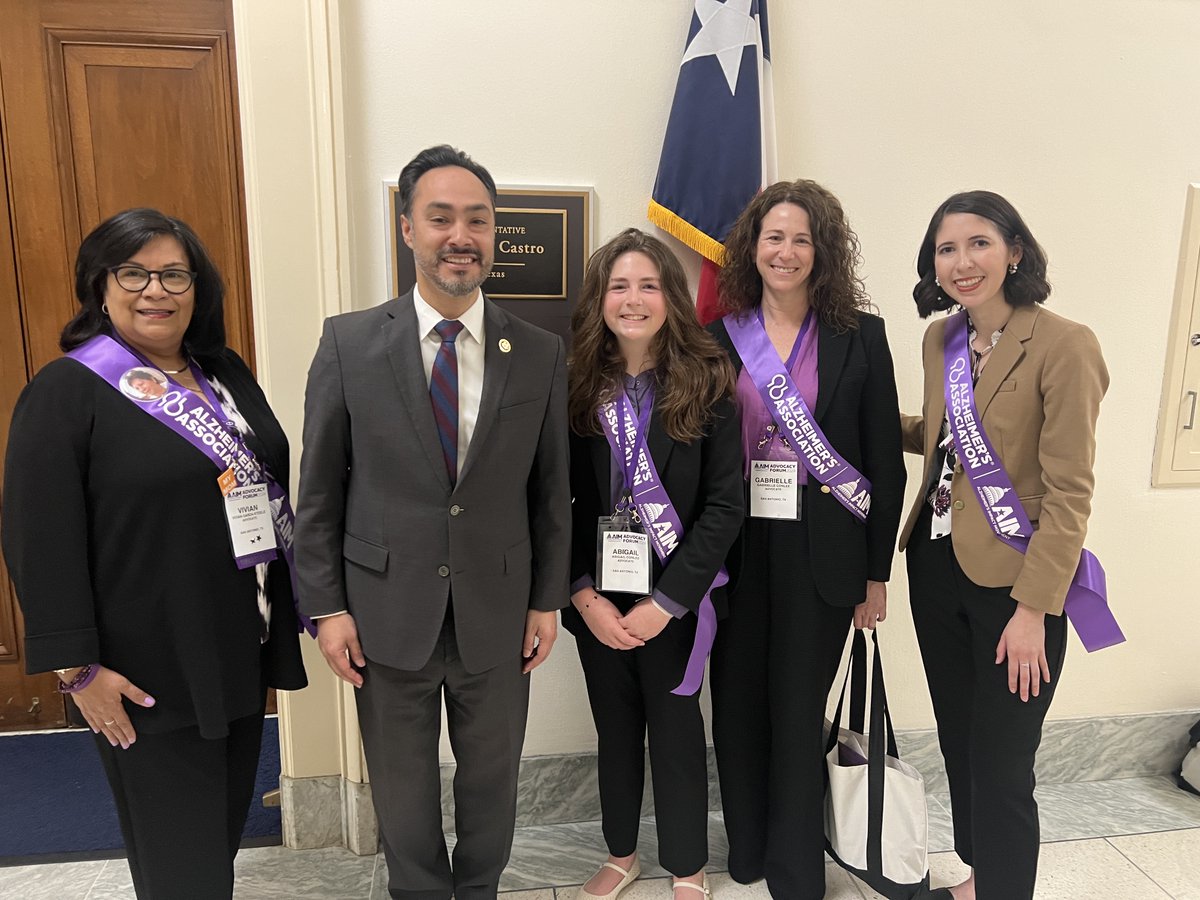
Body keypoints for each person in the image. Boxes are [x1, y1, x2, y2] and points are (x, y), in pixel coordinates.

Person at [1, 208, 308, 899]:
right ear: (99, 287)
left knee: (215, 847)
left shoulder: (224, 373)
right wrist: (80, 671)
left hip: (234, 649)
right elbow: (35, 536)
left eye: (174, 274)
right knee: (180, 866)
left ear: (198, 288)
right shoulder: (66, 392)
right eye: (133, 272)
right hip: (145, 674)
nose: (155, 290)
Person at [294, 145, 571, 900]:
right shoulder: (349, 344)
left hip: (499, 612)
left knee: (492, 792)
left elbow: (552, 493)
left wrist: (547, 599)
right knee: (402, 796)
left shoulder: (539, 352)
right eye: (441, 217)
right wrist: (326, 609)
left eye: (477, 220)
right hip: (384, 614)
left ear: (493, 234)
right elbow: (316, 491)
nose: (461, 235)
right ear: (408, 227)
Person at [898, 191, 1109, 900]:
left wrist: (1032, 611)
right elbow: (944, 437)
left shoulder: (1064, 343)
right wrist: (848, 423)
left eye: (979, 243)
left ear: (1014, 251)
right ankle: (979, 879)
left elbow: (1069, 490)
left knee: (1005, 763)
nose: (962, 262)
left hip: (1017, 588)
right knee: (960, 745)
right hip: (935, 566)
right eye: (947, 248)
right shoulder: (942, 340)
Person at [706, 180, 907, 898]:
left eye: (801, 238)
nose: (786, 251)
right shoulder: (718, 336)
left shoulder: (861, 335)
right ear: (751, 248)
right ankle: (749, 851)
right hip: (734, 547)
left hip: (825, 551)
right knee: (735, 705)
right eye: (773, 238)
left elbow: (883, 458)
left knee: (796, 708)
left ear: (822, 250)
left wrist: (875, 574)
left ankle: (795, 869)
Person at [565, 229, 743, 900]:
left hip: (677, 598)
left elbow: (726, 506)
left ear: (670, 295)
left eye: (647, 285)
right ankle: (620, 853)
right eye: (618, 285)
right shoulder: (576, 382)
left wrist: (667, 603)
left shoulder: (709, 381)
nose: (632, 299)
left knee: (674, 732)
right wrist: (583, 596)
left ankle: (688, 867)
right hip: (598, 600)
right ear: (600, 299)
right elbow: (557, 499)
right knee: (613, 730)